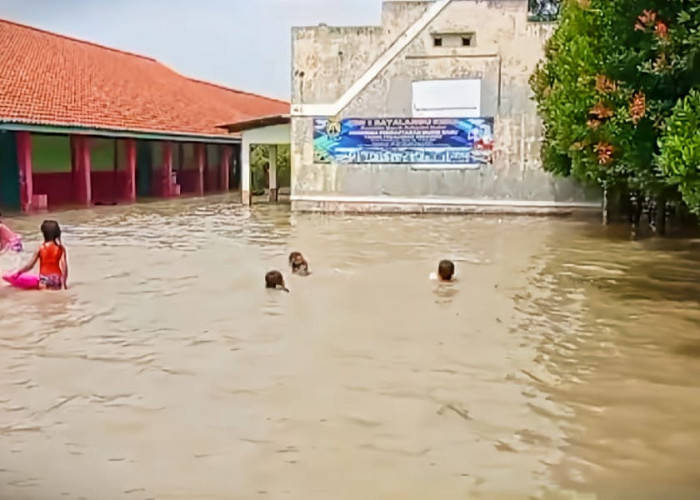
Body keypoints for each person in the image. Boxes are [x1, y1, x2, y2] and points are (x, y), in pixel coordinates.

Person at [13, 220, 68, 290]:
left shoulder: (41, 248)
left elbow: (30, 265)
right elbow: (64, 267)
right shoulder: (61, 248)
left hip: (44, 278)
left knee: (44, 297)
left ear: (44, 234)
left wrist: (18, 272)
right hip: (56, 278)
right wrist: (64, 283)